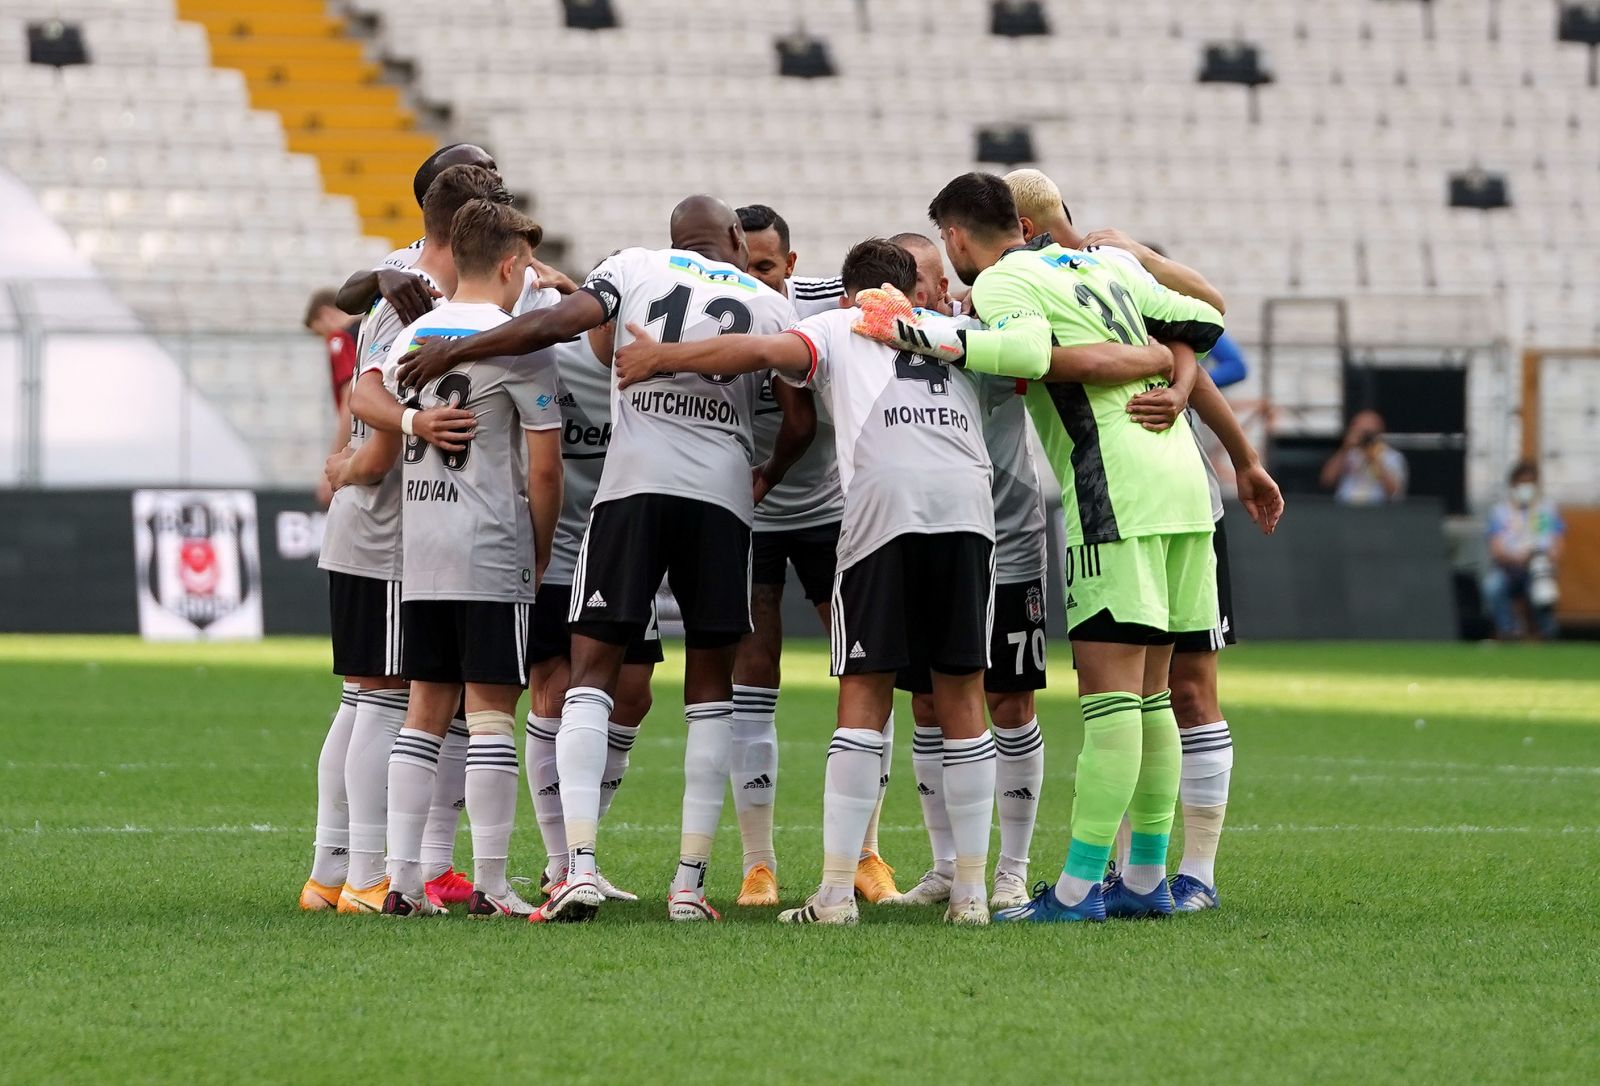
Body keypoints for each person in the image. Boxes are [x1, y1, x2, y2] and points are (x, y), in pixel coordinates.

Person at [396, 194, 814, 923]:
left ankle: (577, 868)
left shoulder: (637, 266)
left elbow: (559, 323)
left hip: (633, 490)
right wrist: (766, 474)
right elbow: (802, 419)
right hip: (722, 499)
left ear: (677, 236)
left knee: (590, 673)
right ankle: (689, 886)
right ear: (733, 244)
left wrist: (456, 348)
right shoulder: (770, 303)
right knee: (711, 686)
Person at [614, 238, 1024, 925]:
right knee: (962, 695)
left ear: (846, 293)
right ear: (912, 292)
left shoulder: (836, 326)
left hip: (883, 511)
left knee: (863, 689)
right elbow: (1036, 362)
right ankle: (974, 895)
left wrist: (664, 356)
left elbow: (756, 353)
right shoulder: (958, 333)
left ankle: (834, 895)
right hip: (968, 511)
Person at [860, 171, 1226, 923]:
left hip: (1112, 488)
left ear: (957, 238)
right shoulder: (1106, 264)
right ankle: (1148, 878)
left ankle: (1079, 888)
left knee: (1113, 698)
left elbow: (1024, 353)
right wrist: (1166, 367)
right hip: (1184, 482)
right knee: (1154, 695)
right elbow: (1204, 318)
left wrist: (913, 330)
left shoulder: (1002, 282)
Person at [1007, 170, 1284, 912]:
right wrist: (1184, 382)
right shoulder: (1087, 274)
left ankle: (1186, 872)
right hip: (1172, 496)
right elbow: (1192, 334)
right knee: (1159, 693)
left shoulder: (1099, 266)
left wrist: (1236, 450)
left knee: (1172, 691)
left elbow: (1201, 318)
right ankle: (1143, 876)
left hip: (1138, 500)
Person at [298, 165, 499, 915]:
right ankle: (366, 878)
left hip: (372, 520)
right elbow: (371, 409)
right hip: (388, 525)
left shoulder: (404, 280)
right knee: (383, 701)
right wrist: (365, 458)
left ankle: (329, 871)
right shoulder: (420, 296)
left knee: (361, 702)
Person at [376, 199, 564, 918]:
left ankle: (400, 883)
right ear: (513, 264)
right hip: (488, 541)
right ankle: (490, 883)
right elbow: (544, 470)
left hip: (421, 543)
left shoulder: (417, 332)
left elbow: (377, 400)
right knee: (490, 716)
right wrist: (539, 549)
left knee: (422, 712)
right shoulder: (519, 340)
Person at [729, 203, 899, 907]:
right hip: (747, 515)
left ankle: (866, 852)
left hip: (832, 511)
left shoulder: (832, 305)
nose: (751, 280)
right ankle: (758, 865)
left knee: (863, 666)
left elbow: (897, 288)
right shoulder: (714, 308)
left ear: (792, 268)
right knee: (754, 667)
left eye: (764, 268)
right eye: (741, 267)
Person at [884, 231, 1049, 913]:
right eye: (913, 279)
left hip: (1006, 540)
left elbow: (1034, 362)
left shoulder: (983, 335)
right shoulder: (886, 344)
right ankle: (948, 865)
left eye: (928, 275)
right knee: (927, 702)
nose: (928, 289)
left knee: (1009, 702)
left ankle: (1010, 867)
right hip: (933, 541)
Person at [523, 317, 660, 903]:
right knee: (555, 689)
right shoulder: (553, 359)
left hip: (623, 549)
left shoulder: (656, 362)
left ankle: (582, 849)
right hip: (553, 549)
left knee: (633, 693)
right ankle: (565, 863)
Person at [1484, 461, 1565, 641]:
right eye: (1522, 482)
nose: (1526, 487)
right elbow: (1495, 548)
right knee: (1493, 586)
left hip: (1537, 566)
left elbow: (1555, 543)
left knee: (1541, 585)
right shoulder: (1500, 512)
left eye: (1531, 482)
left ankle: (1547, 632)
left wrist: (1544, 559)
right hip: (1509, 568)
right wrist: (1516, 558)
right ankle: (1508, 632)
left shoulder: (1546, 510)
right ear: (1513, 484)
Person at [304, 288, 360, 508]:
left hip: (362, 443)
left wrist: (336, 459)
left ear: (326, 314)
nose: (325, 340)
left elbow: (352, 401)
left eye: (321, 333)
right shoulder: (370, 329)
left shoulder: (341, 338)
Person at [1320, 409, 1407, 505]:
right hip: (1346, 507)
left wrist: (1374, 458)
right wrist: (1345, 448)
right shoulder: (1348, 454)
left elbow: (1395, 493)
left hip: (1377, 509)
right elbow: (1327, 480)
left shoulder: (1391, 456)